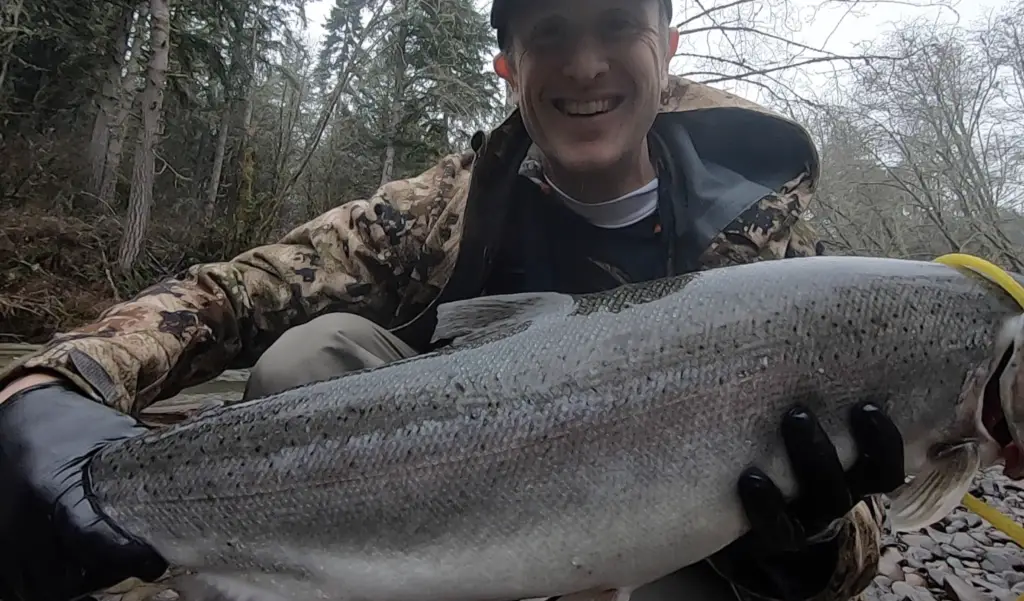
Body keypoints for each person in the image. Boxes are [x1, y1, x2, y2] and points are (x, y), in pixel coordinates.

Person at [0, 0, 907, 599]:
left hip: (661, 549)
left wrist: (815, 534)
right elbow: (234, 292)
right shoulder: (441, 207)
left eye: (616, 23)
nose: (585, 63)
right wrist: (49, 387)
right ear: (509, 67)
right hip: (442, 519)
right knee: (311, 357)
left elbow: (854, 563)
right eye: (550, 31)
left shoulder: (770, 245)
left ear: (664, 49)